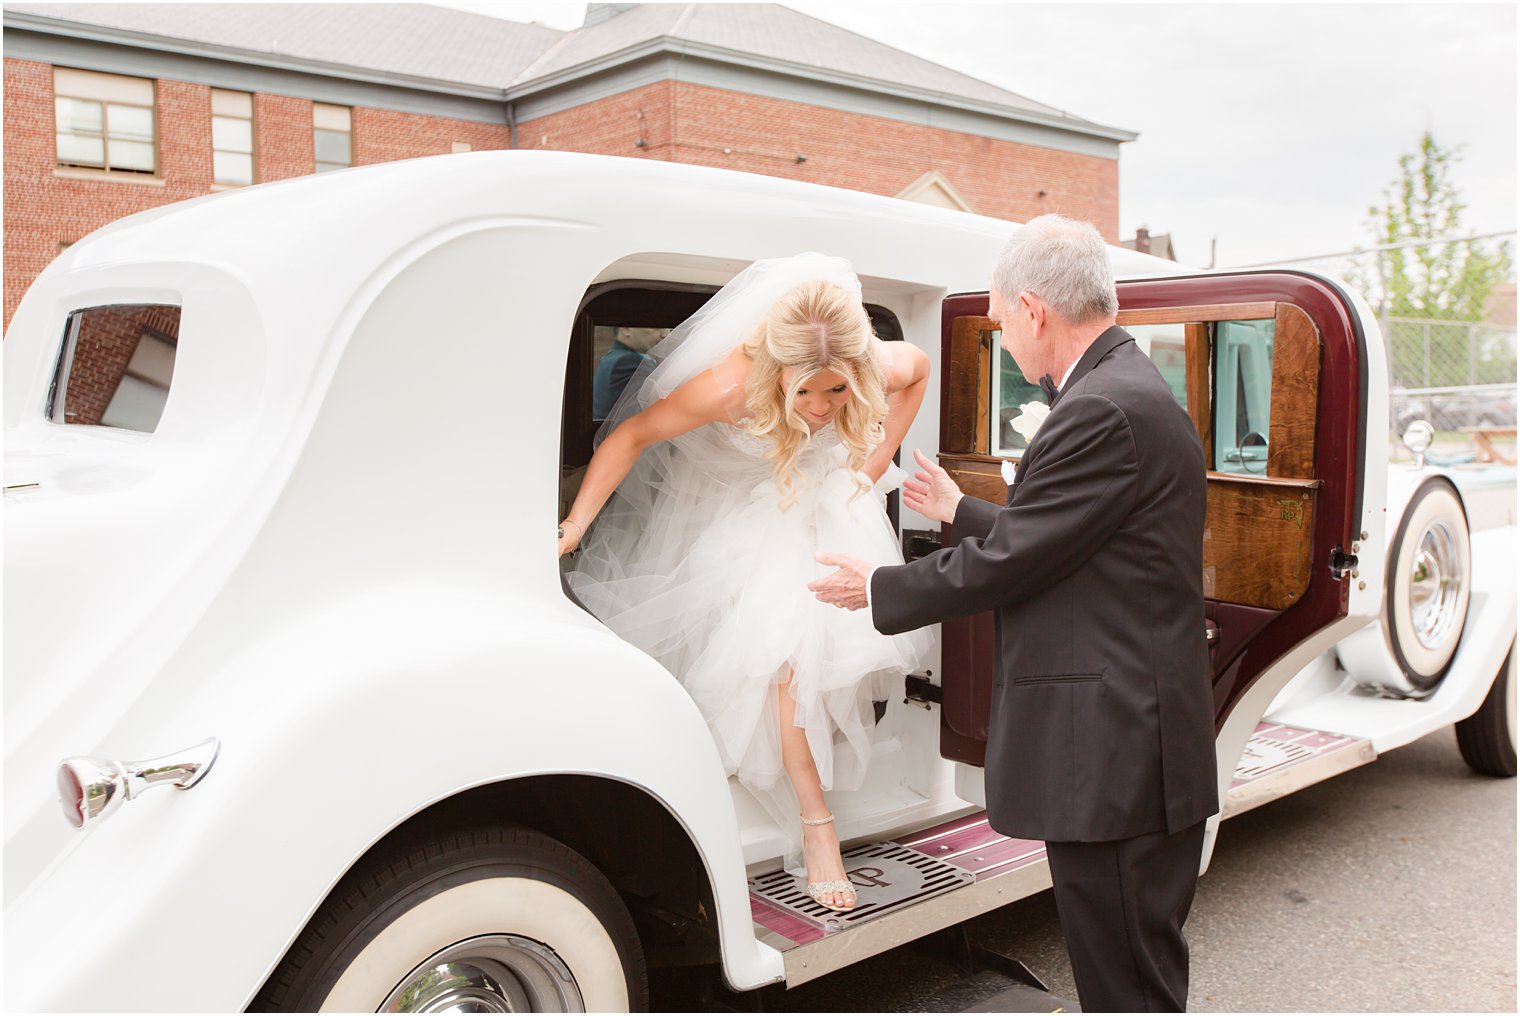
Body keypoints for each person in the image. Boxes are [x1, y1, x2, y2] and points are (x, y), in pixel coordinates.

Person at [809, 215, 1217, 1010]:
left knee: (1128, 983)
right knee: (1128, 971)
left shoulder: (1099, 409)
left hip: (1117, 757)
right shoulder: (1122, 387)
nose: (1005, 340)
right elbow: (1077, 548)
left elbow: (1015, 564)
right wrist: (965, 511)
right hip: (1134, 745)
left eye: (1001, 322)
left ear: (1033, 309)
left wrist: (881, 586)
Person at [560, 253, 932, 911]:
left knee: (839, 650)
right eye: (805, 393)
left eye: (837, 392)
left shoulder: (877, 365)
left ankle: (843, 790)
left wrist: (868, 471)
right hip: (751, 518)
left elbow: (920, 371)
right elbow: (634, 435)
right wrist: (573, 525)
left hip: (826, 509)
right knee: (784, 657)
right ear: (774, 374)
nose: (820, 409)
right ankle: (818, 826)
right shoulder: (729, 387)